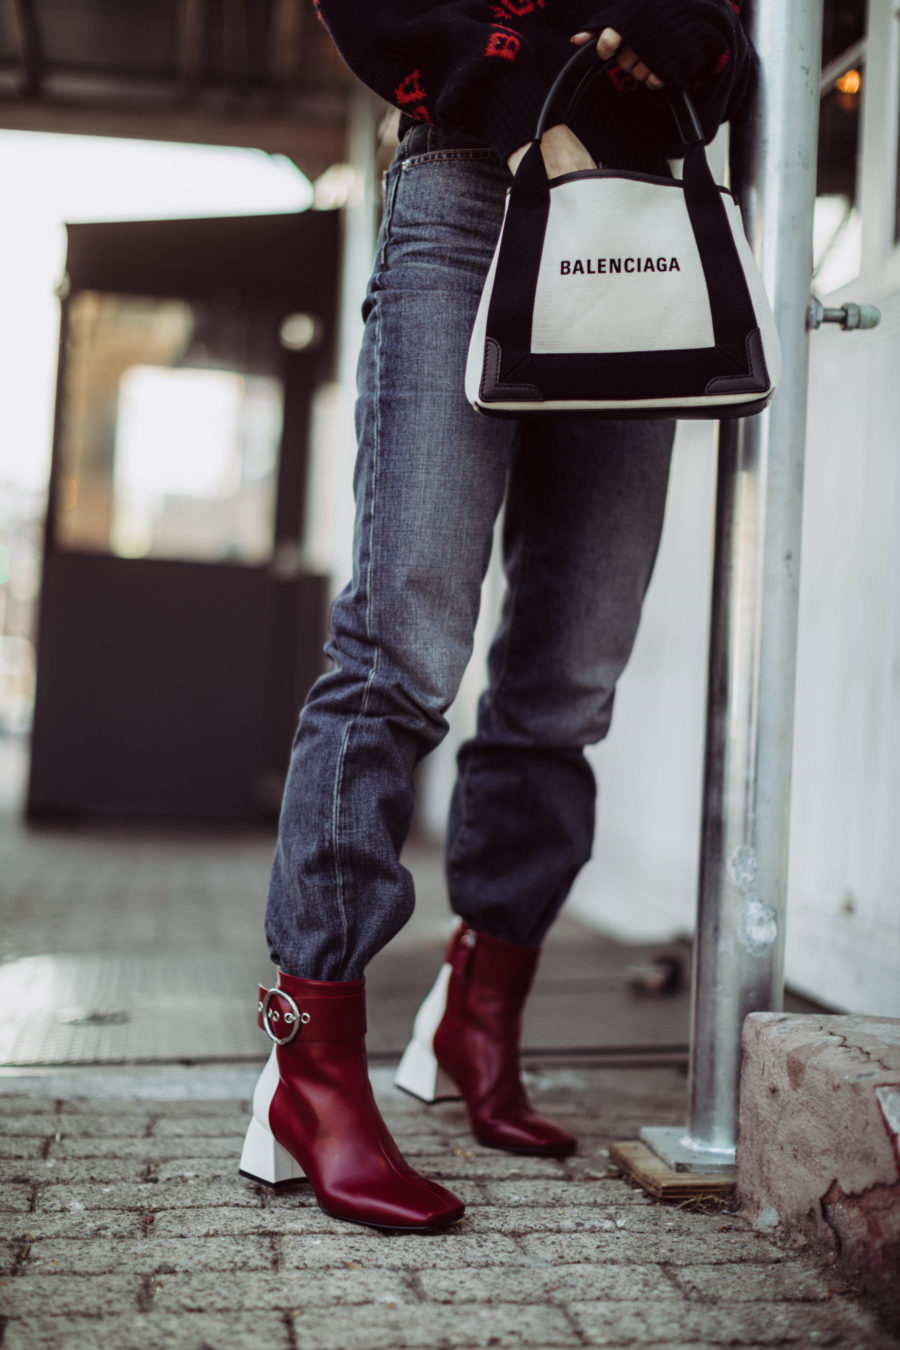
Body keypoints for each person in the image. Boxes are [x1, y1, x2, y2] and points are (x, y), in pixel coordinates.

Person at [239, 0, 756, 1233]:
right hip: (467, 197)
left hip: (642, 217)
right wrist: (537, 60)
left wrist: (693, 38)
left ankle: (479, 1020)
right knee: (400, 652)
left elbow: (731, 35)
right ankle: (308, 1073)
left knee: (570, 672)